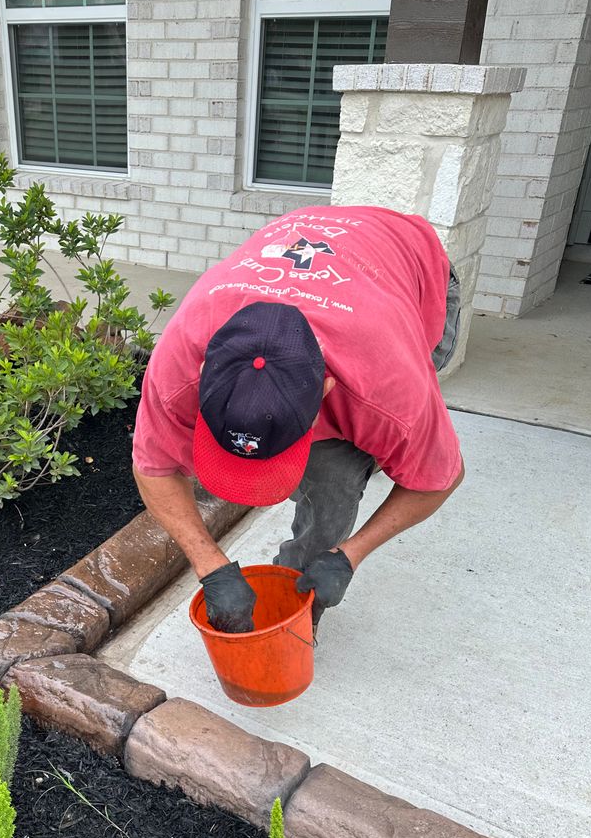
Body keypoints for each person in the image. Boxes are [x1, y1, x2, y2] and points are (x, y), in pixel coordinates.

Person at [132, 205, 465, 634]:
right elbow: (153, 468)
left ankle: (304, 588)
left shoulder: (388, 387)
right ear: (201, 378)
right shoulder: (179, 359)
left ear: (326, 391)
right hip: (308, 233)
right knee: (353, 461)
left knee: (341, 471)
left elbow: (441, 477)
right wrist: (210, 565)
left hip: (411, 261)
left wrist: (350, 554)